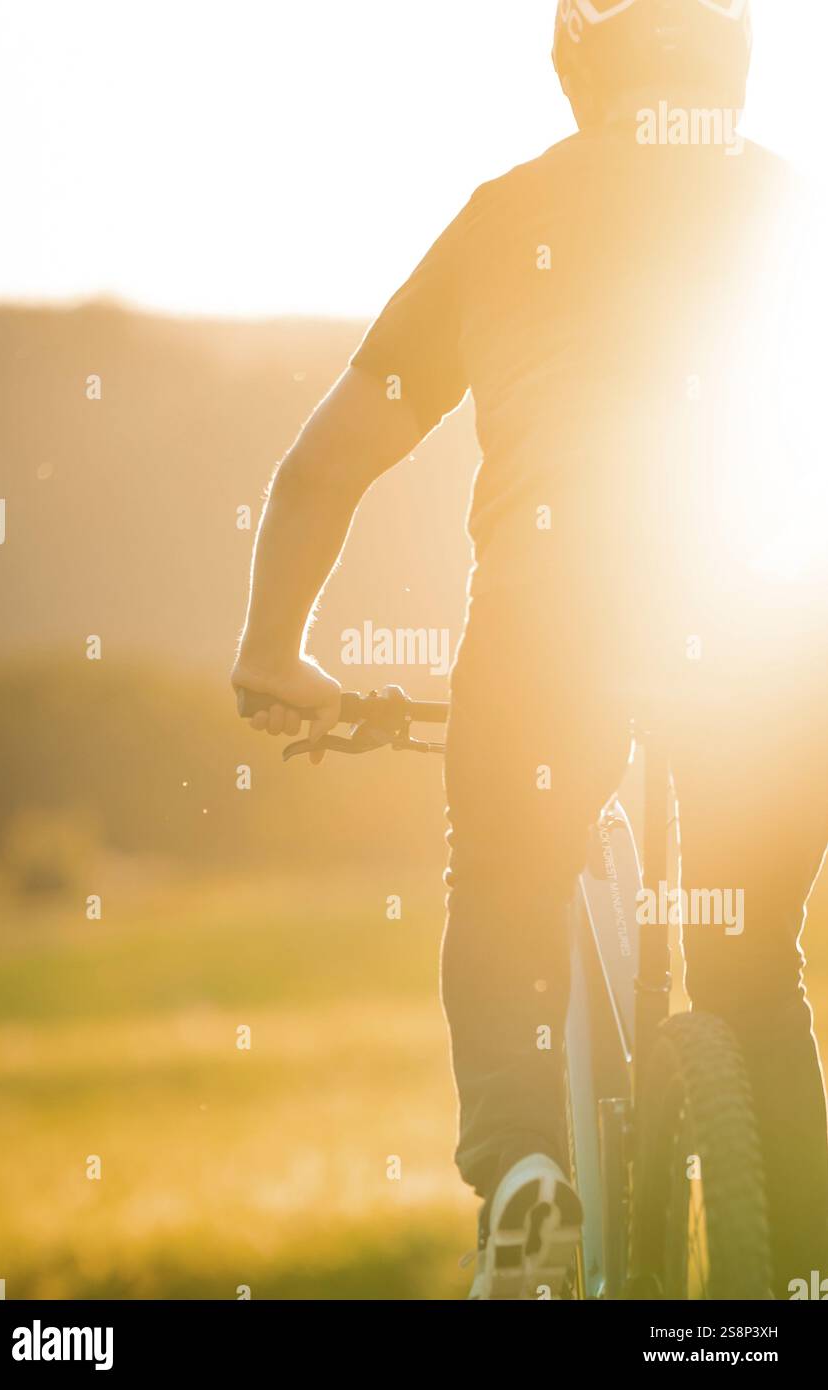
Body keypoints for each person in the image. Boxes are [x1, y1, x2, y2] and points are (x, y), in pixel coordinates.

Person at [232, 0, 828, 1299]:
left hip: (550, 609)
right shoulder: (795, 212)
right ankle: (797, 1275)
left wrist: (275, 650)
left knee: (505, 891)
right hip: (770, 617)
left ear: (573, 62)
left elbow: (323, 463)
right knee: (750, 975)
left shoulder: (506, 218)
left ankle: (522, 1184)